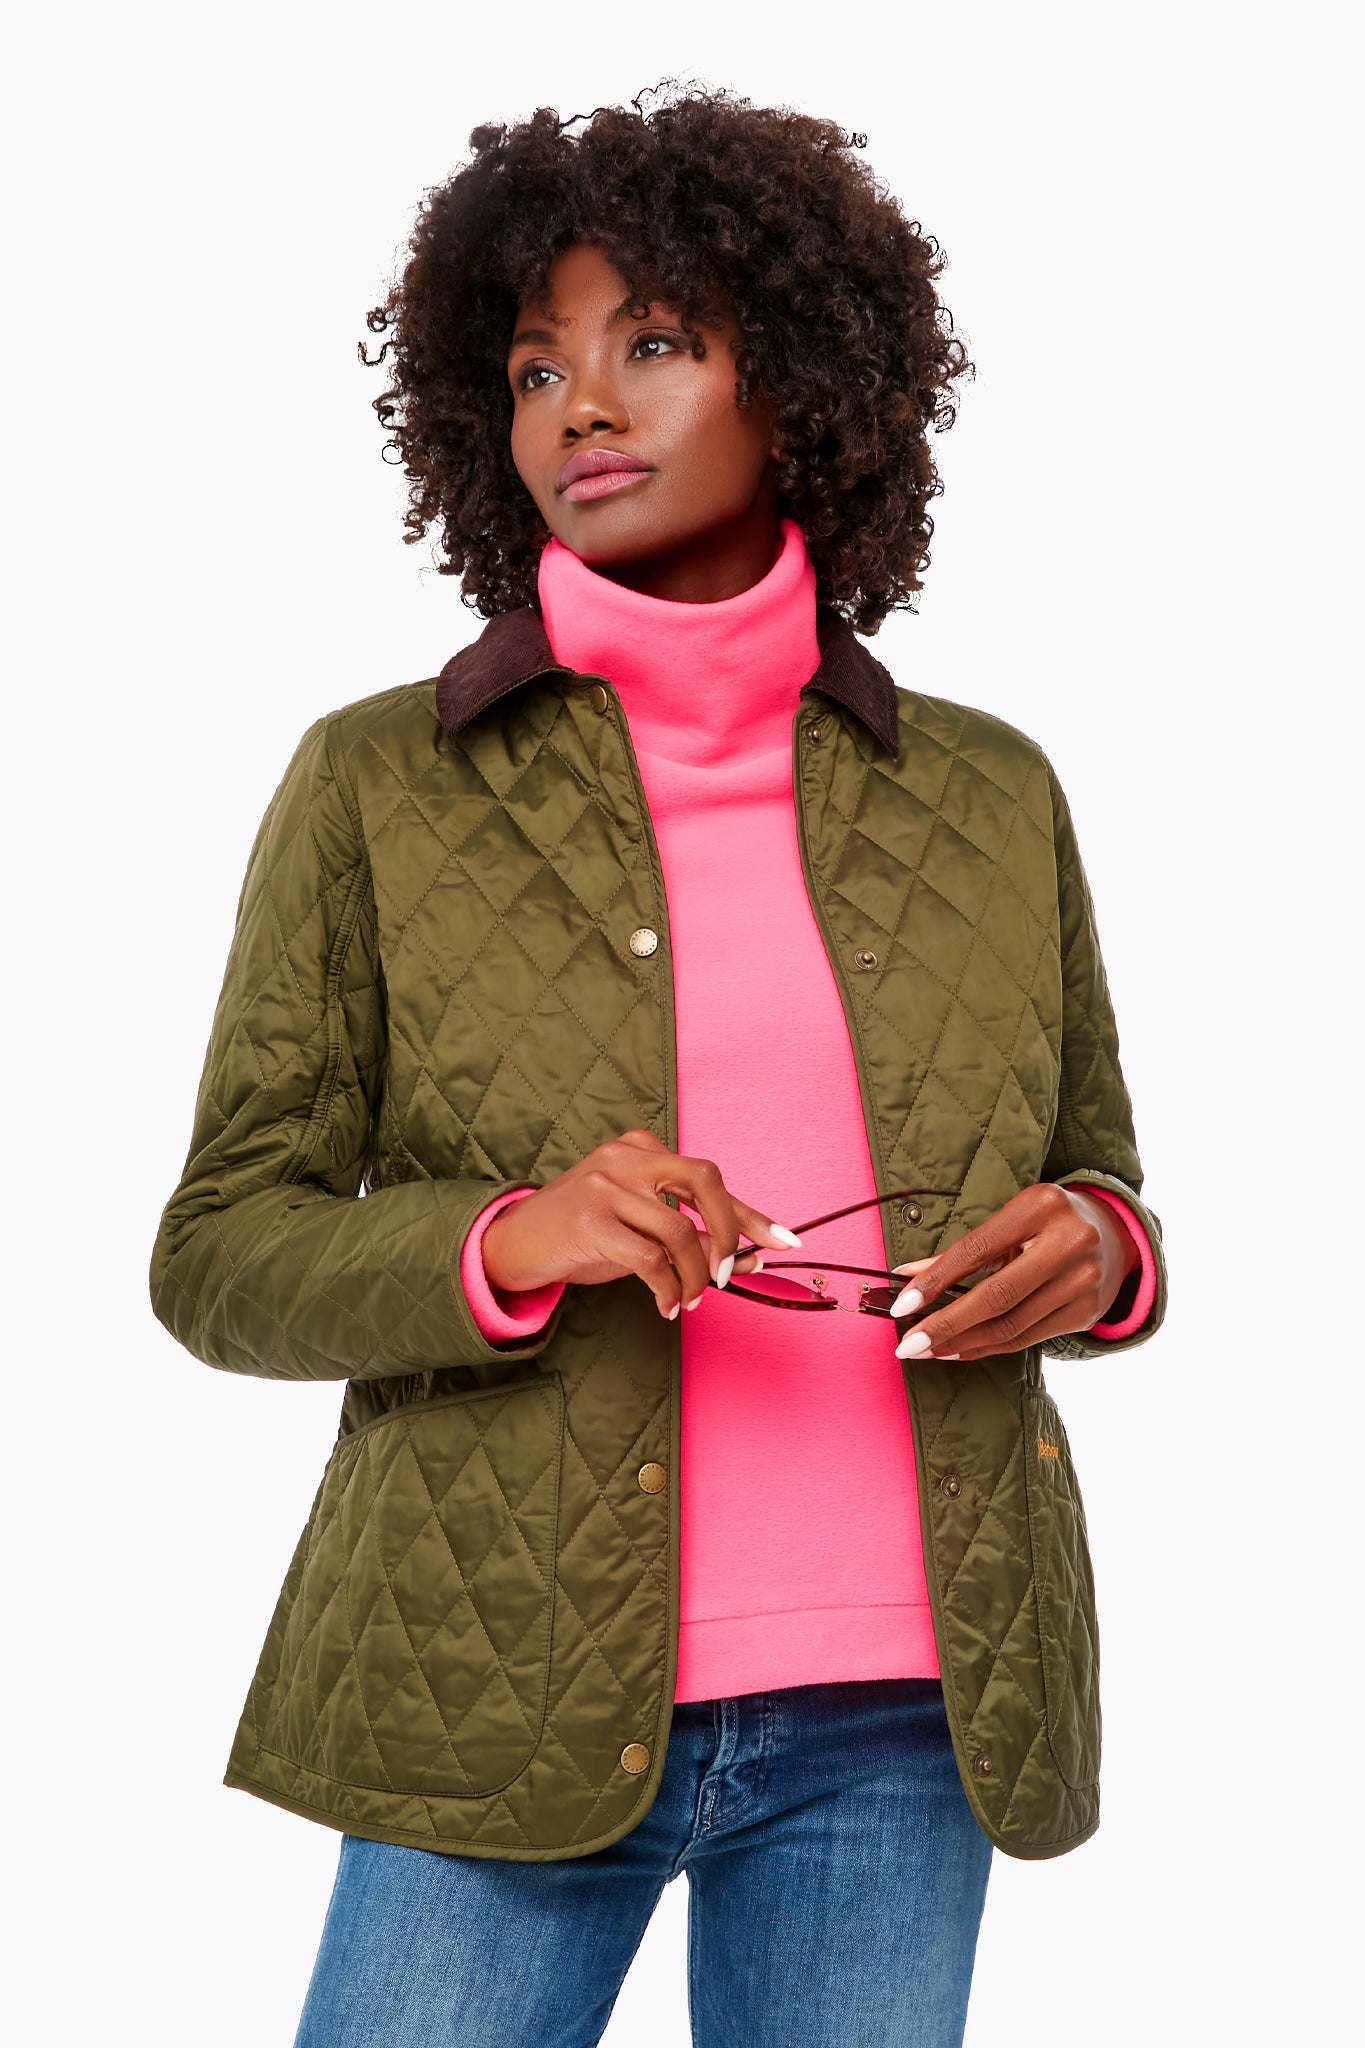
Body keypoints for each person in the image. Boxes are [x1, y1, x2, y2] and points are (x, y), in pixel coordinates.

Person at [150, 87, 1167, 2048]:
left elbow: (1095, 1170)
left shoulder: (984, 793)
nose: (583, 407)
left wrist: (1102, 1250)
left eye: (656, 342)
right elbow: (220, 1250)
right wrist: (508, 1238)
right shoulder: (378, 782)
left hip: (909, 1706)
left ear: (801, 386)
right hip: (496, 1674)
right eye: (535, 367)